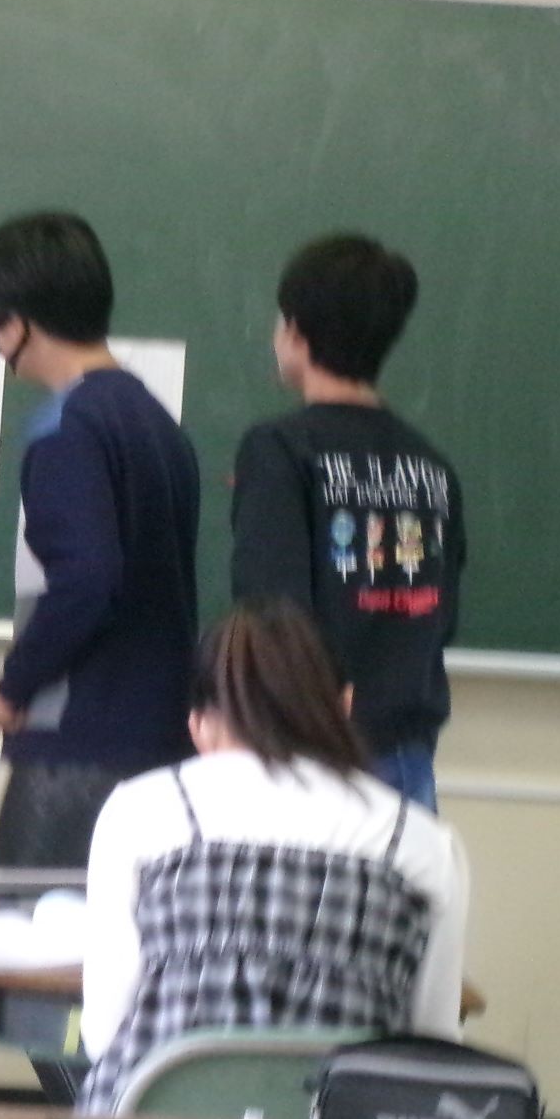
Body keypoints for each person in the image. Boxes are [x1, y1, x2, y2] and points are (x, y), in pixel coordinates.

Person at [77, 600, 468, 1115]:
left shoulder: (140, 810)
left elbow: (104, 1033)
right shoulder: (422, 841)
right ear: (345, 704)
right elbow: (431, 1041)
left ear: (199, 724)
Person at [0, 211, 201, 871]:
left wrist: (13, 687)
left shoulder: (66, 427)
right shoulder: (157, 423)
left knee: (33, 926)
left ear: (18, 324)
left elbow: (87, 577)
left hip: (80, 745)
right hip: (160, 736)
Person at [231, 233, 466, 811]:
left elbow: (272, 612)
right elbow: (443, 612)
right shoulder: (430, 465)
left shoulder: (280, 450)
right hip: (406, 754)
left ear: (296, 332)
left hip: (310, 753)